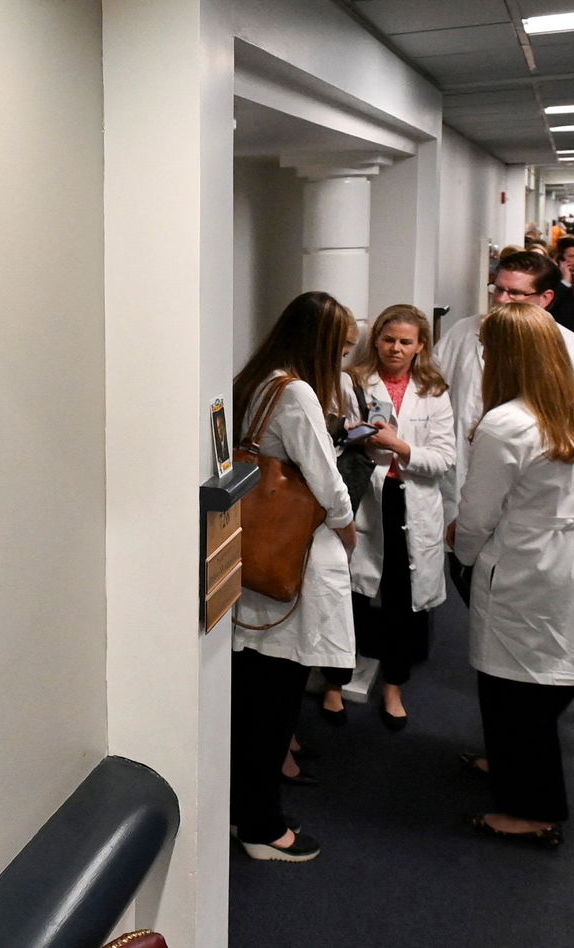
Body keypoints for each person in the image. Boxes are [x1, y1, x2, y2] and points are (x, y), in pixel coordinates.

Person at [453, 302, 574, 847]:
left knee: (513, 687)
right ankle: (510, 764)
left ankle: (532, 811)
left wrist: (465, 553)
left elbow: (477, 516)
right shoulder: (570, 407)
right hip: (566, 558)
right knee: (542, 671)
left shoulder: (506, 423)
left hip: (520, 562)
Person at [230, 291, 358, 863]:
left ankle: (249, 813)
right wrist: (349, 525)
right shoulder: (298, 391)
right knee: (274, 701)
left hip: (251, 561)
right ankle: (261, 826)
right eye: (341, 347)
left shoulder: (257, 382)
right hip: (289, 562)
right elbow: (327, 482)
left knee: (254, 695)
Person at [318, 305, 454, 731]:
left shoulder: (433, 389)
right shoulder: (351, 381)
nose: (395, 349)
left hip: (410, 500)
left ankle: (394, 685)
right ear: (375, 340)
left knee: (402, 599)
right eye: (388, 339)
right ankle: (334, 683)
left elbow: (444, 459)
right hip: (364, 498)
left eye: (405, 342)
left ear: (420, 346)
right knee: (350, 595)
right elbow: (329, 439)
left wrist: (400, 446)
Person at [437, 251, 574, 532]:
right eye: (499, 289)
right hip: (464, 493)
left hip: (542, 517)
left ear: (545, 299)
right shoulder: (461, 334)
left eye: (516, 293)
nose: (501, 300)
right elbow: (434, 398)